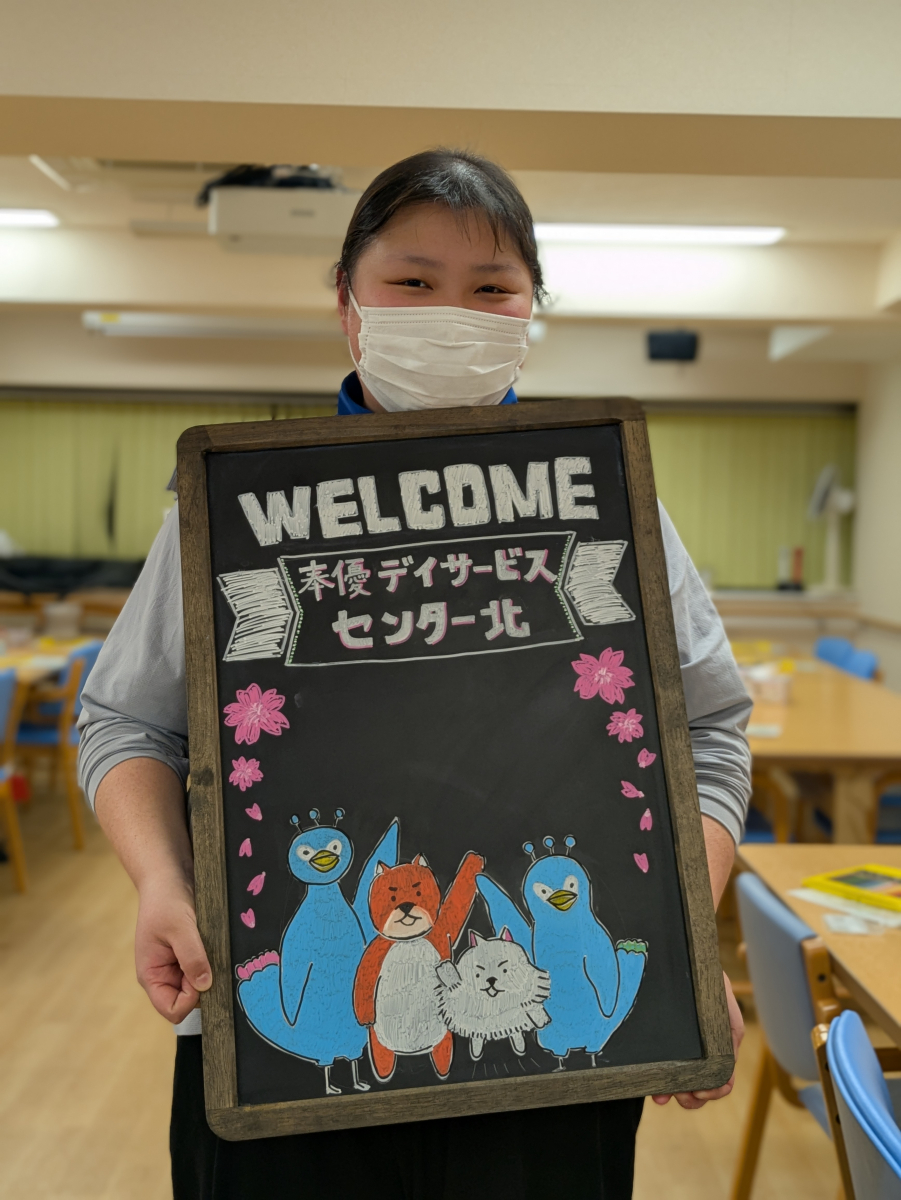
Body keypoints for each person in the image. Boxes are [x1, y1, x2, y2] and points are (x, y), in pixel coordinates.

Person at [78, 149, 751, 1200]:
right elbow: (127, 722)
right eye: (412, 280)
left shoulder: (608, 502)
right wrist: (162, 882)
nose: (451, 314)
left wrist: (676, 930)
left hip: (540, 1047)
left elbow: (705, 731)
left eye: (491, 289)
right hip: (288, 1059)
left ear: (531, 310)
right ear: (347, 304)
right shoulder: (234, 505)